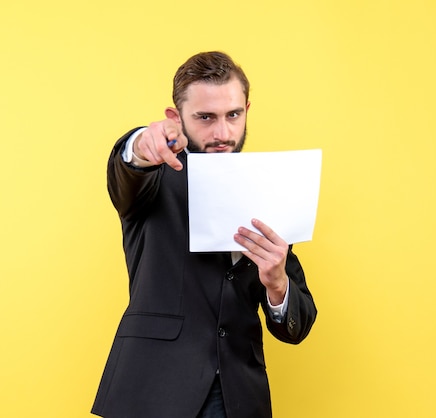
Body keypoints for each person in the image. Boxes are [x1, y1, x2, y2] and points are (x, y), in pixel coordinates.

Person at [91, 51, 317, 418]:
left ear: (246, 109)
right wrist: (139, 145)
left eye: (233, 115)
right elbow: (126, 166)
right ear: (175, 119)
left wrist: (277, 285)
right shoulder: (153, 178)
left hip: (238, 397)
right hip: (154, 392)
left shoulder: (269, 188)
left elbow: (297, 325)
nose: (222, 133)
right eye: (205, 118)